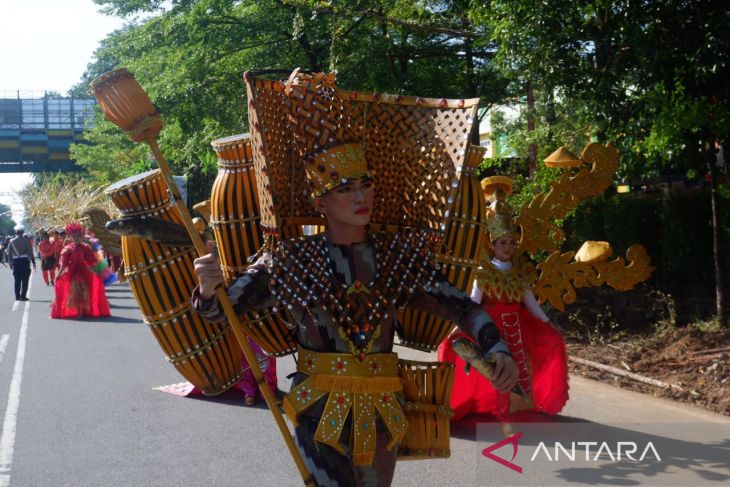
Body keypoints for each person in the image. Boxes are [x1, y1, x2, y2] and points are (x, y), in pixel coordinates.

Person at [192, 70, 519, 486]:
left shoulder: (399, 258)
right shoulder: (290, 259)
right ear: (320, 200)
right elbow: (223, 310)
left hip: (383, 407)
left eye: (365, 185)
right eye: (346, 188)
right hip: (317, 409)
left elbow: (464, 308)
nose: (361, 196)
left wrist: (498, 346)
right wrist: (207, 288)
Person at [438, 177, 569, 421]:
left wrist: (547, 325)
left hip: (520, 328)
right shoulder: (484, 272)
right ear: (492, 243)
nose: (507, 247)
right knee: (493, 365)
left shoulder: (520, 271)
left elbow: (530, 302)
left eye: (511, 243)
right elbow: (474, 304)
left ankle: (517, 405)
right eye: (502, 242)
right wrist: (457, 328)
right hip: (491, 327)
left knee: (523, 364)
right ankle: (490, 404)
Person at [51, 222, 111, 319]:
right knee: (75, 290)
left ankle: (83, 310)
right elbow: (64, 264)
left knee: (84, 290)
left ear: (82, 236)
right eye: (74, 236)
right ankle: (78, 310)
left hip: (84, 271)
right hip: (72, 271)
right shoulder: (67, 249)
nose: (77, 238)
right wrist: (59, 274)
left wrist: (96, 272)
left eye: (79, 236)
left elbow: (91, 262)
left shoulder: (86, 248)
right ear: (71, 237)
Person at [8, 224, 36, 301]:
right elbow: (30, 252)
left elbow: (9, 253)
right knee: (25, 279)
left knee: (17, 280)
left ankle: (17, 296)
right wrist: (30, 261)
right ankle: (23, 296)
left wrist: (10, 263)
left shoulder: (11, 241)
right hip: (25, 261)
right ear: (23, 232)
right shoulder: (27, 241)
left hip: (16, 261)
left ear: (16, 232)